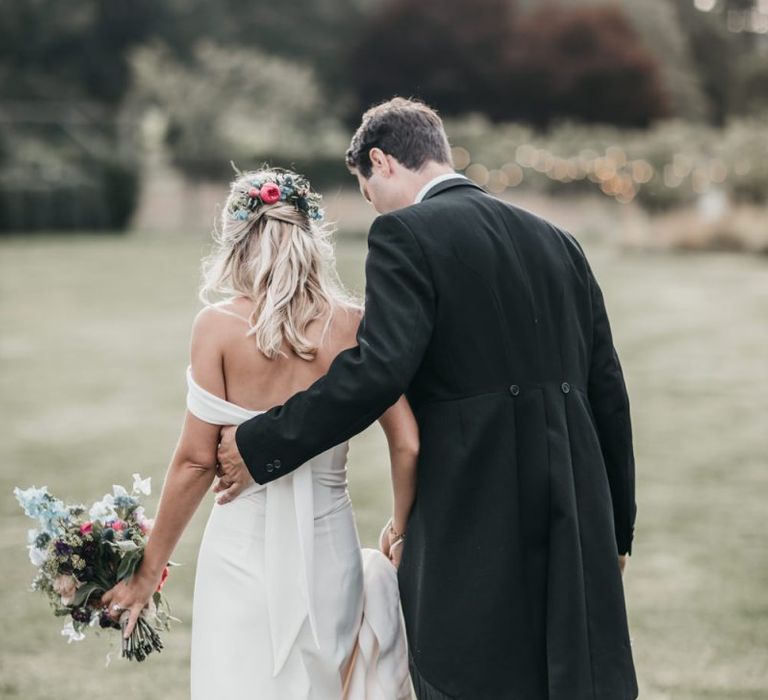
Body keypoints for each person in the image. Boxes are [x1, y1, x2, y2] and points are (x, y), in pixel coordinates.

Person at [216, 97, 639, 699]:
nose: (375, 207)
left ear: (382, 162)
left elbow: (378, 371)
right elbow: (609, 394)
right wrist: (615, 528)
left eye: (367, 192)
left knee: (469, 680)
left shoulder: (404, 233)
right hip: (577, 510)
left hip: (474, 508)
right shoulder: (559, 242)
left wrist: (260, 443)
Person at [100, 166, 413, 699]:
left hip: (241, 551)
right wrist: (401, 532)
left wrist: (148, 572)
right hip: (329, 551)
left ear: (236, 244)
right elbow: (407, 442)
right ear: (311, 239)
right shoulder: (352, 324)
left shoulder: (217, 327)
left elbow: (197, 463)